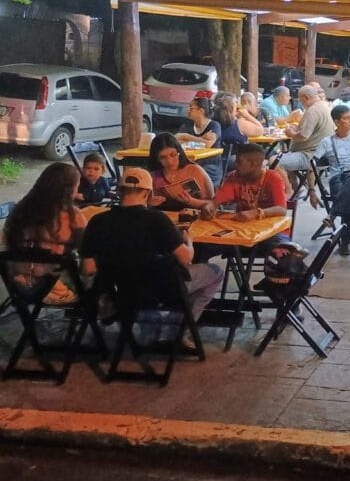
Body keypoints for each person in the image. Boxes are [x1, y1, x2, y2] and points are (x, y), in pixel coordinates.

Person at [81, 168, 223, 350]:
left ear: (119, 191)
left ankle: (150, 328)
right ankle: (179, 332)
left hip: (119, 291)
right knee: (216, 272)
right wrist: (189, 241)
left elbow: (88, 268)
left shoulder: (97, 221)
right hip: (160, 290)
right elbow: (186, 258)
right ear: (148, 193)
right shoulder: (157, 220)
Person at [3, 163, 85, 306]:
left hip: (19, 285)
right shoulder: (72, 216)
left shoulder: (19, 211)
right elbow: (87, 247)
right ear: (69, 189)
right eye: (76, 186)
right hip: (54, 286)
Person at [310, 105, 350, 255]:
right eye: (346, 118)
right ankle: (345, 238)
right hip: (338, 177)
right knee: (349, 194)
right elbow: (311, 165)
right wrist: (312, 190)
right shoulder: (327, 142)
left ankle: (335, 220)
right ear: (337, 122)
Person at [203, 143, 289, 253]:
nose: (235, 164)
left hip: (272, 231)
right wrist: (210, 206)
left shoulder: (273, 178)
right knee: (201, 246)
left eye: (239, 162)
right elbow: (217, 200)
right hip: (242, 231)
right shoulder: (234, 177)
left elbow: (281, 209)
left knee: (284, 252)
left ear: (254, 163)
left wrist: (256, 213)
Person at [276, 84, 334, 193]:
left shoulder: (312, 111)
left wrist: (291, 134)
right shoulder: (324, 106)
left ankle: (289, 191)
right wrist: (297, 128)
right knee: (285, 156)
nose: (301, 103)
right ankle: (295, 188)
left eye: (301, 100)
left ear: (307, 97)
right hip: (321, 155)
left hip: (309, 155)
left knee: (274, 161)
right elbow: (312, 130)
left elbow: (303, 136)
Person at [147, 133, 215, 213]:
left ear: (179, 152)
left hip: (195, 217)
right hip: (164, 217)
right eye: (163, 158)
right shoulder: (153, 176)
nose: (170, 161)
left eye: (173, 155)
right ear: (156, 159)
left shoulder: (194, 170)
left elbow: (212, 204)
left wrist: (190, 201)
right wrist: (149, 203)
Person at [176, 96, 223, 185]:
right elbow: (177, 139)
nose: (188, 110)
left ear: (201, 111)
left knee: (188, 172)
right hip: (191, 162)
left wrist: (186, 136)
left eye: (191, 108)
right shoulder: (188, 124)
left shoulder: (214, 125)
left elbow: (207, 144)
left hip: (210, 167)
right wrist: (201, 139)